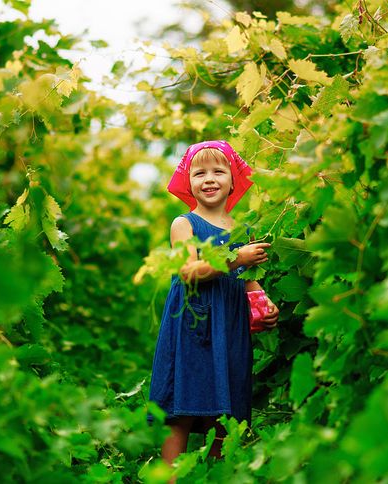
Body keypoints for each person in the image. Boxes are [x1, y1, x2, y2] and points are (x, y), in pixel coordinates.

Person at [147, 140, 280, 466]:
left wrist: (264, 304)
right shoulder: (184, 224)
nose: (209, 179)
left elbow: (249, 279)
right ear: (188, 181)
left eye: (218, 171)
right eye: (199, 172)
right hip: (193, 325)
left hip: (230, 328)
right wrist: (237, 257)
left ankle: (216, 474)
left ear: (233, 180)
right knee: (182, 407)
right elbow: (189, 272)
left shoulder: (242, 230)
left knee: (226, 412)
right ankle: (168, 476)